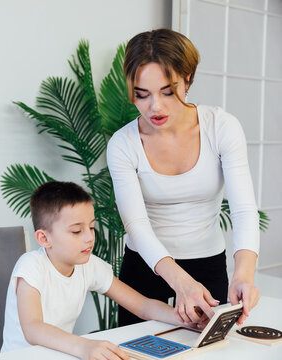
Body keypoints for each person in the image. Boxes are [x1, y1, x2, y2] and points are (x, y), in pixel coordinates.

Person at [106, 29, 260, 328]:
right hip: (145, 268)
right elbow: (136, 225)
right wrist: (180, 282)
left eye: (167, 91)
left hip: (208, 266)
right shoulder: (122, 144)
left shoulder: (221, 127)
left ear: (187, 78)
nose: (155, 107)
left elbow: (243, 210)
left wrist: (244, 274)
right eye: (142, 94)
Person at [0, 181, 199, 360]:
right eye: (77, 231)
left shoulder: (89, 265)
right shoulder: (31, 265)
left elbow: (142, 305)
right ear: (44, 239)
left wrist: (184, 319)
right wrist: (84, 346)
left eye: (92, 227)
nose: (89, 238)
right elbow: (33, 329)